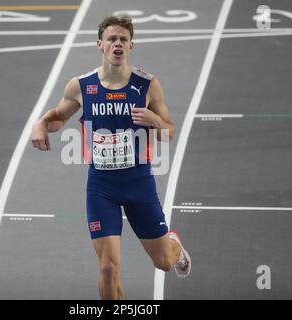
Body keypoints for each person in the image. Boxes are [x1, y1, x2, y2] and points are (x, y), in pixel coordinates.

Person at [30, 15, 191, 300]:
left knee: (163, 262)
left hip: (138, 182)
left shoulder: (147, 85)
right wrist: (39, 124)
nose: (118, 43)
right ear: (100, 44)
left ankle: (174, 246)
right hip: (101, 186)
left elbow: (170, 132)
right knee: (107, 268)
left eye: (123, 40)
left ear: (131, 46)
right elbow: (57, 118)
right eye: (112, 39)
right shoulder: (81, 86)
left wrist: (155, 119)